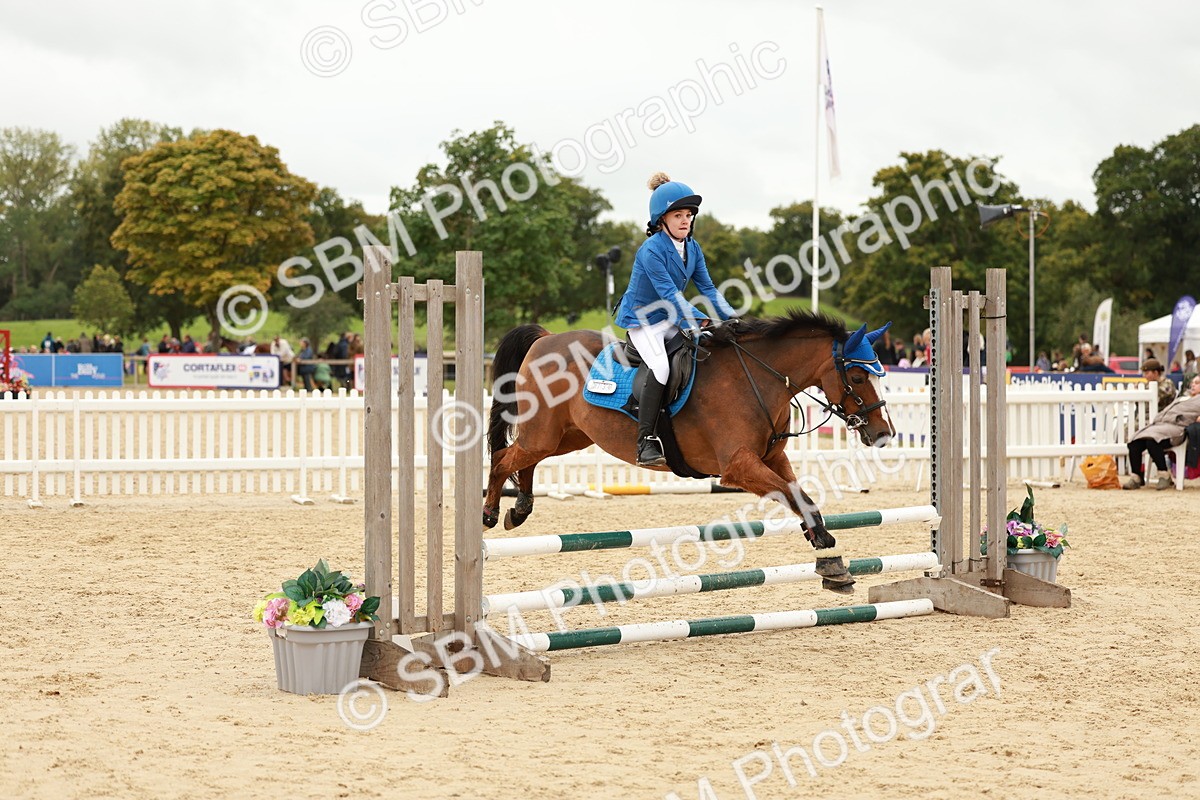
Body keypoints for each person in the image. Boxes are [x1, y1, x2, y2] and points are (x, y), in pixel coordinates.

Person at [614, 172, 737, 466]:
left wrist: (733, 319)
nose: (685, 220)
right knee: (661, 367)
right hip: (643, 321)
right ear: (661, 220)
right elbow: (669, 294)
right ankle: (645, 442)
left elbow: (707, 288)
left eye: (689, 215)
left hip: (670, 318)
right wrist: (701, 319)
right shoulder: (651, 250)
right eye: (678, 215)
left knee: (701, 353)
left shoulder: (692, 248)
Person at [1123, 375, 1200, 489]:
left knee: (1152, 441)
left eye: (1197, 383)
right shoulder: (1183, 398)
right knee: (1134, 442)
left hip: (1177, 429)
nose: (1193, 385)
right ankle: (1136, 477)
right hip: (1160, 425)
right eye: (1193, 382)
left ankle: (1164, 475)